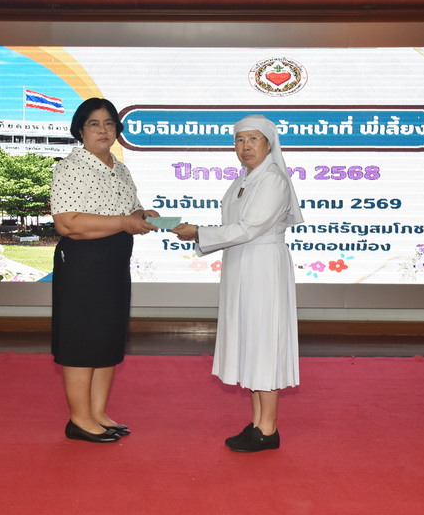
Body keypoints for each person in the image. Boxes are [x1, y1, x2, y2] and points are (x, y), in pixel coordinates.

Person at [173, 114, 303, 453]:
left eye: (253, 139)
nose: (245, 146)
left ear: (269, 144)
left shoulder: (273, 179)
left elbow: (250, 228)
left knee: (264, 341)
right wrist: (199, 232)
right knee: (251, 340)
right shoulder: (245, 178)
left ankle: (268, 428)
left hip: (263, 267)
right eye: (239, 140)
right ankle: (258, 422)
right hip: (241, 264)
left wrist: (199, 233)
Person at [50, 97, 159, 443]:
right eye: (94, 124)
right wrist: (124, 222)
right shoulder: (69, 168)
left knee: (107, 339)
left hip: (114, 263)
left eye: (109, 123)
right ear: (80, 130)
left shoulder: (120, 168)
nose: (103, 130)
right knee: (82, 341)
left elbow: (129, 211)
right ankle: (79, 420)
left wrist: (142, 216)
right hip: (82, 265)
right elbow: (68, 223)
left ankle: (97, 413)